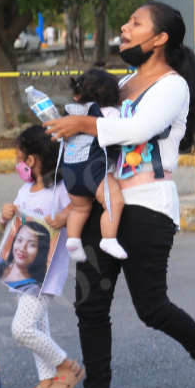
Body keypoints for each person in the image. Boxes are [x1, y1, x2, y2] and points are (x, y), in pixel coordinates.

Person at [42, 2, 195, 388]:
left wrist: (83, 126)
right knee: (90, 304)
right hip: (104, 202)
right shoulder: (125, 81)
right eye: (126, 22)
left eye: (135, 24)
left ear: (160, 38)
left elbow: (137, 130)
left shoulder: (172, 87)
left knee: (151, 306)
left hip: (147, 205)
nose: (125, 29)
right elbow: (97, 134)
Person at [0, 125, 82, 388]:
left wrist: (62, 215)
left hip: (46, 275)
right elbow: (15, 226)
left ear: (31, 160)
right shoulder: (25, 190)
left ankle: (67, 366)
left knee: (22, 329)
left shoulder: (60, 190)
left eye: (19, 156)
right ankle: (46, 382)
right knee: (37, 325)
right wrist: (4, 216)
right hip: (25, 273)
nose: (17, 162)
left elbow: (80, 206)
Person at [60, 69, 126, 263]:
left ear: (77, 94)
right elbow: (119, 134)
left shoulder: (71, 114)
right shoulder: (111, 113)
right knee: (114, 202)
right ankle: (109, 239)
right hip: (95, 172)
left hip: (70, 172)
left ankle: (73, 240)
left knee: (79, 209)